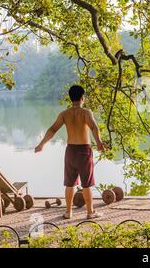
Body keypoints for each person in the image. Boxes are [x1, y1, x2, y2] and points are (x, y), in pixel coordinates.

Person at [35, 85, 107, 219]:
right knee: (86, 184)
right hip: (84, 151)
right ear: (82, 98)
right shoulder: (86, 112)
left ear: (70, 98)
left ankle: (68, 212)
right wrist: (98, 143)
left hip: (70, 151)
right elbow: (94, 127)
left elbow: (52, 130)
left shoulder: (64, 114)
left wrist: (41, 144)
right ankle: (90, 212)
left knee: (69, 183)